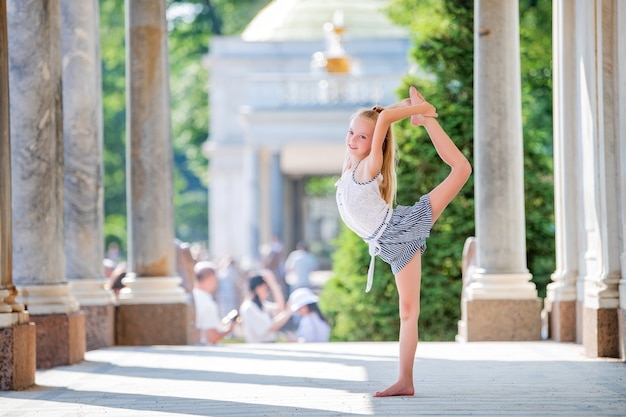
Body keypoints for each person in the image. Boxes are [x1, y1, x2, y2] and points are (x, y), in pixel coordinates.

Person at [335, 86, 471, 397]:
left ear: (376, 145)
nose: (353, 141)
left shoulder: (369, 166)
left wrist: (420, 110)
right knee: (407, 312)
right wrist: (403, 106)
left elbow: (382, 124)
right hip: (387, 243)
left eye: (362, 138)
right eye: (351, 133)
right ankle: (406, 381)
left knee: (462, 170)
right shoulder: (350, 165)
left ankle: (405, 380)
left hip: (401, 230)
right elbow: (379, 117)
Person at [239, 269, 292, 343]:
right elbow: (270, 327)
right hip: (259, 348)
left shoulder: (261, 305)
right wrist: (289, 311)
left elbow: (281, 308)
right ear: (258, 288)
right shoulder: (249, 307)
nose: (268, 292)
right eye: (266, 288)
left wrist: (274, 286)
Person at [192, 261, 235, 345]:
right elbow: (211, 337)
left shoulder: (191, 298)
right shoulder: (207, 303)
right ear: (211, 278)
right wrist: (229, 330)